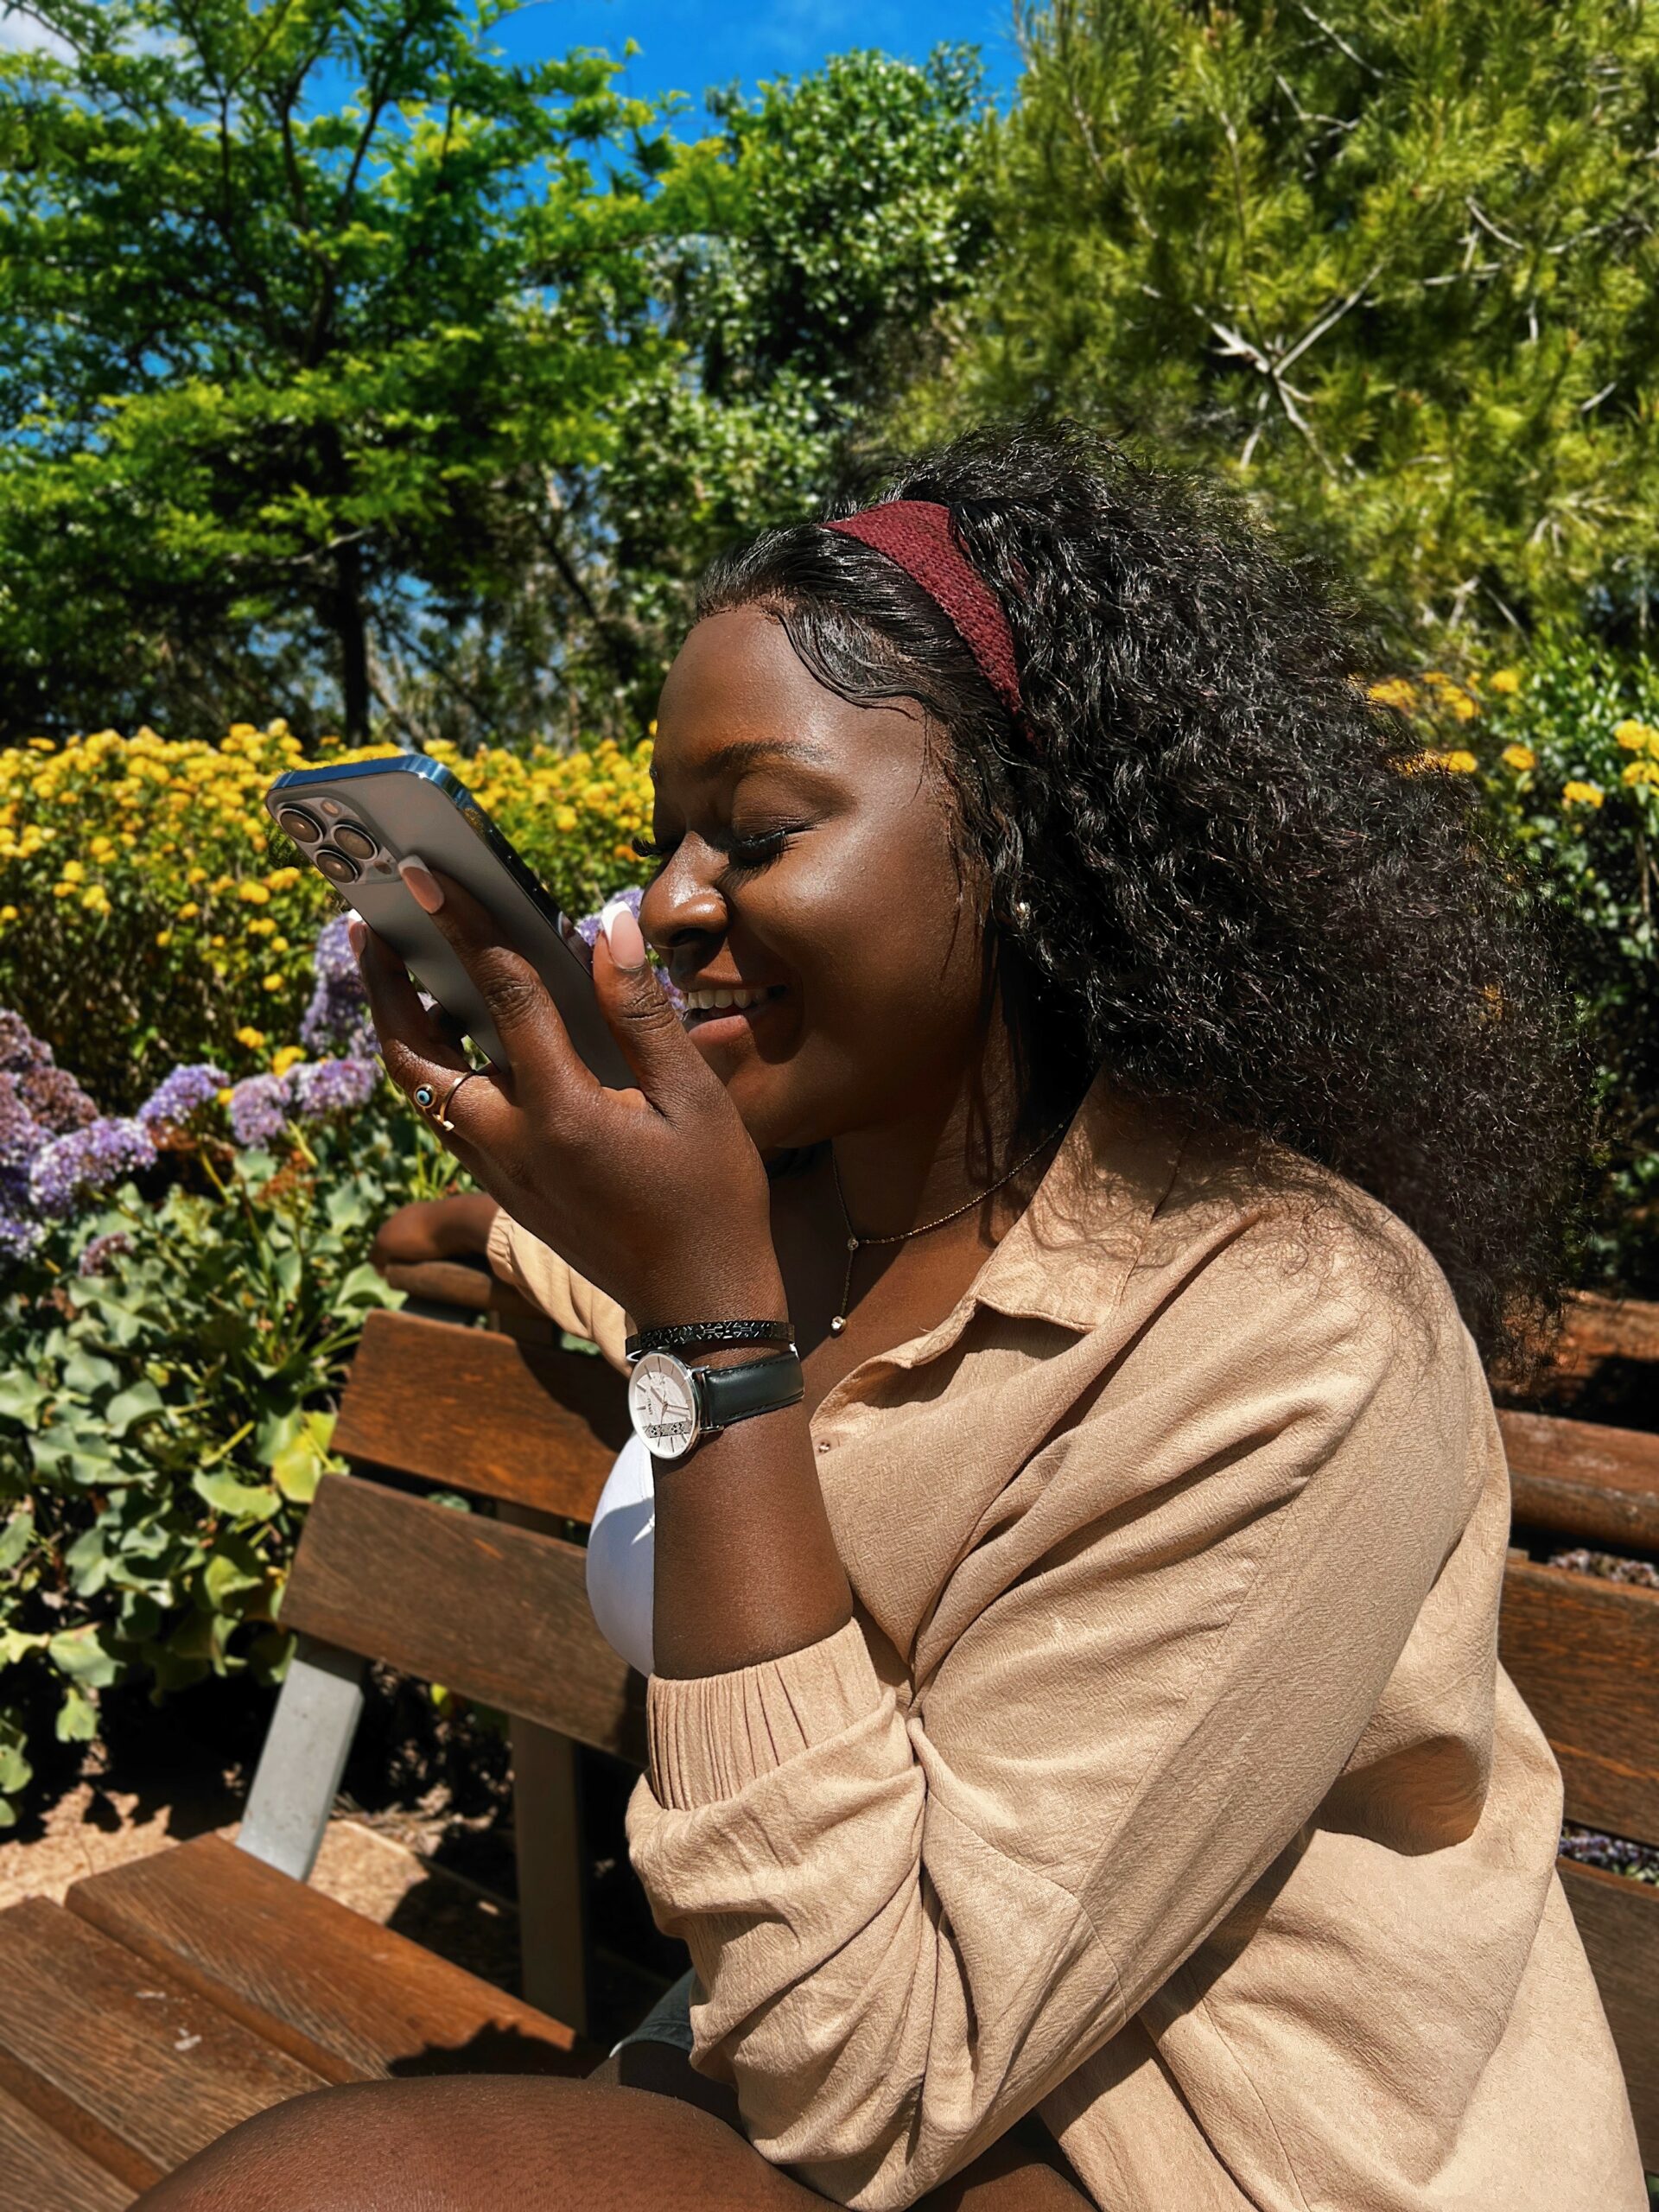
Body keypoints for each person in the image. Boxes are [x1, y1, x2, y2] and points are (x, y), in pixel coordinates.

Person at [139, 423, 1644, 2210]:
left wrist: (709, 1337)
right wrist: (500, 1195)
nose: (673, 901)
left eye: (758, 831)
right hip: (881, 2071)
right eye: (664, 840)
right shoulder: (817, 1211)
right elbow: (549, 1256)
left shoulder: (1295, 1329)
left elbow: (866, 2061)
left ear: (1021, 841)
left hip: (1218, 2141)